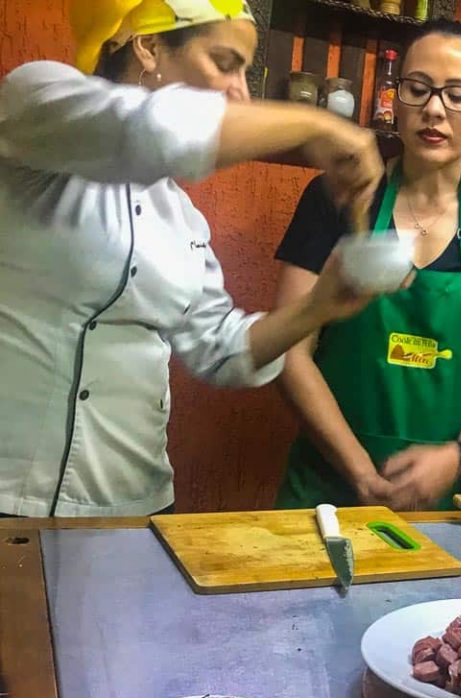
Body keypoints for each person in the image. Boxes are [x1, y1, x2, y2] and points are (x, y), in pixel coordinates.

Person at [0, 0, 387, 517]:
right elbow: (146, 129)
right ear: (149, 45)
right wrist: (316, 125)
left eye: (247, 74)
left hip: (133, 506)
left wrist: (317, 307)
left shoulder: (178, 216)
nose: (241, 93)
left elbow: (219, 349)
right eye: (226, 64)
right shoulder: (37, 101)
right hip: (11, 500)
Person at [275, 19, 461, 512]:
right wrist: (359, 470)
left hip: (455, 498)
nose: (434, 109)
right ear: (396, 98)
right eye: (417, 88)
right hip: (329, 493)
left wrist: (459, 453)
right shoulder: (337, 198)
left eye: (458, 94)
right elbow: (290, 350)